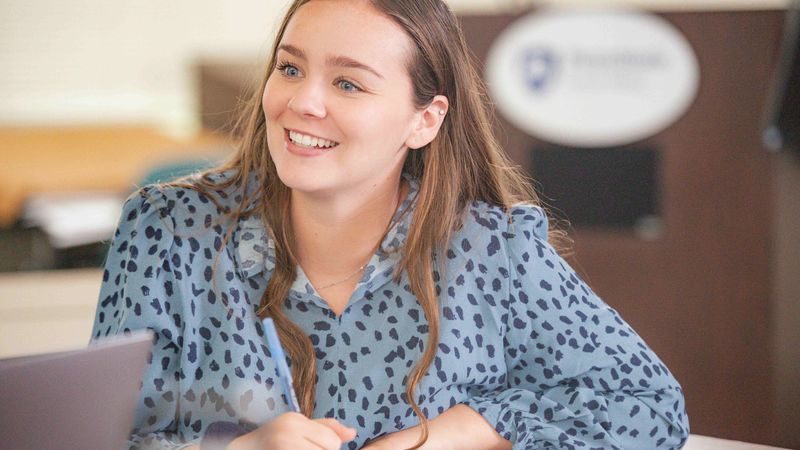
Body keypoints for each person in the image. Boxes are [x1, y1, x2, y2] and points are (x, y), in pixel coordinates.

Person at [91, 0, 690, 449]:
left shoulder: (494, 250)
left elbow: (649, 406)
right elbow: (100, 436)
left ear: (424, 121)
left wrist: (459, 430)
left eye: (348, 83)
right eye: (291, 69)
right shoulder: (165, 229)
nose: (303, 103)